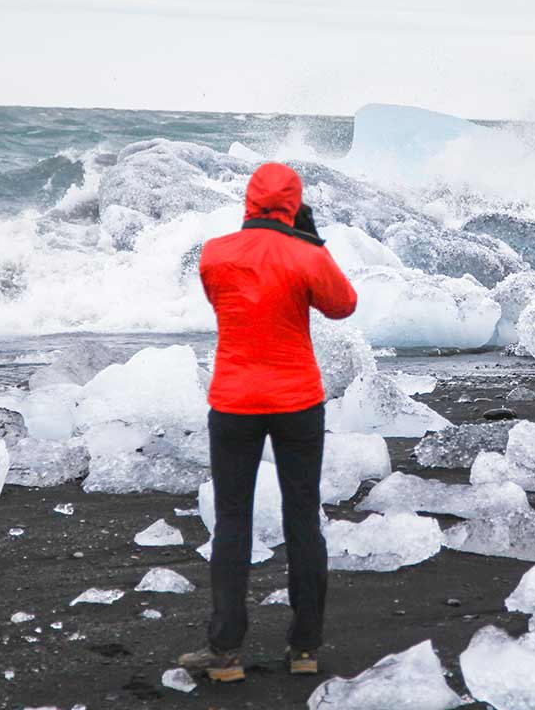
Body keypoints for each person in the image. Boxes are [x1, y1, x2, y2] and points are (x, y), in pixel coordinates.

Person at [179, 162, 358, 683]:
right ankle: (305, 649)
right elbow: (343, 305)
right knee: (302, 519)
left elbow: (223, 303)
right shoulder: (307, 253)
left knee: (232, 522)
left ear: (249, 200)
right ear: (293, 202)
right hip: (297, 400)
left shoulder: (215, 253)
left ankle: (226, 653)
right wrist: (310, 242)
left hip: (234, 400)